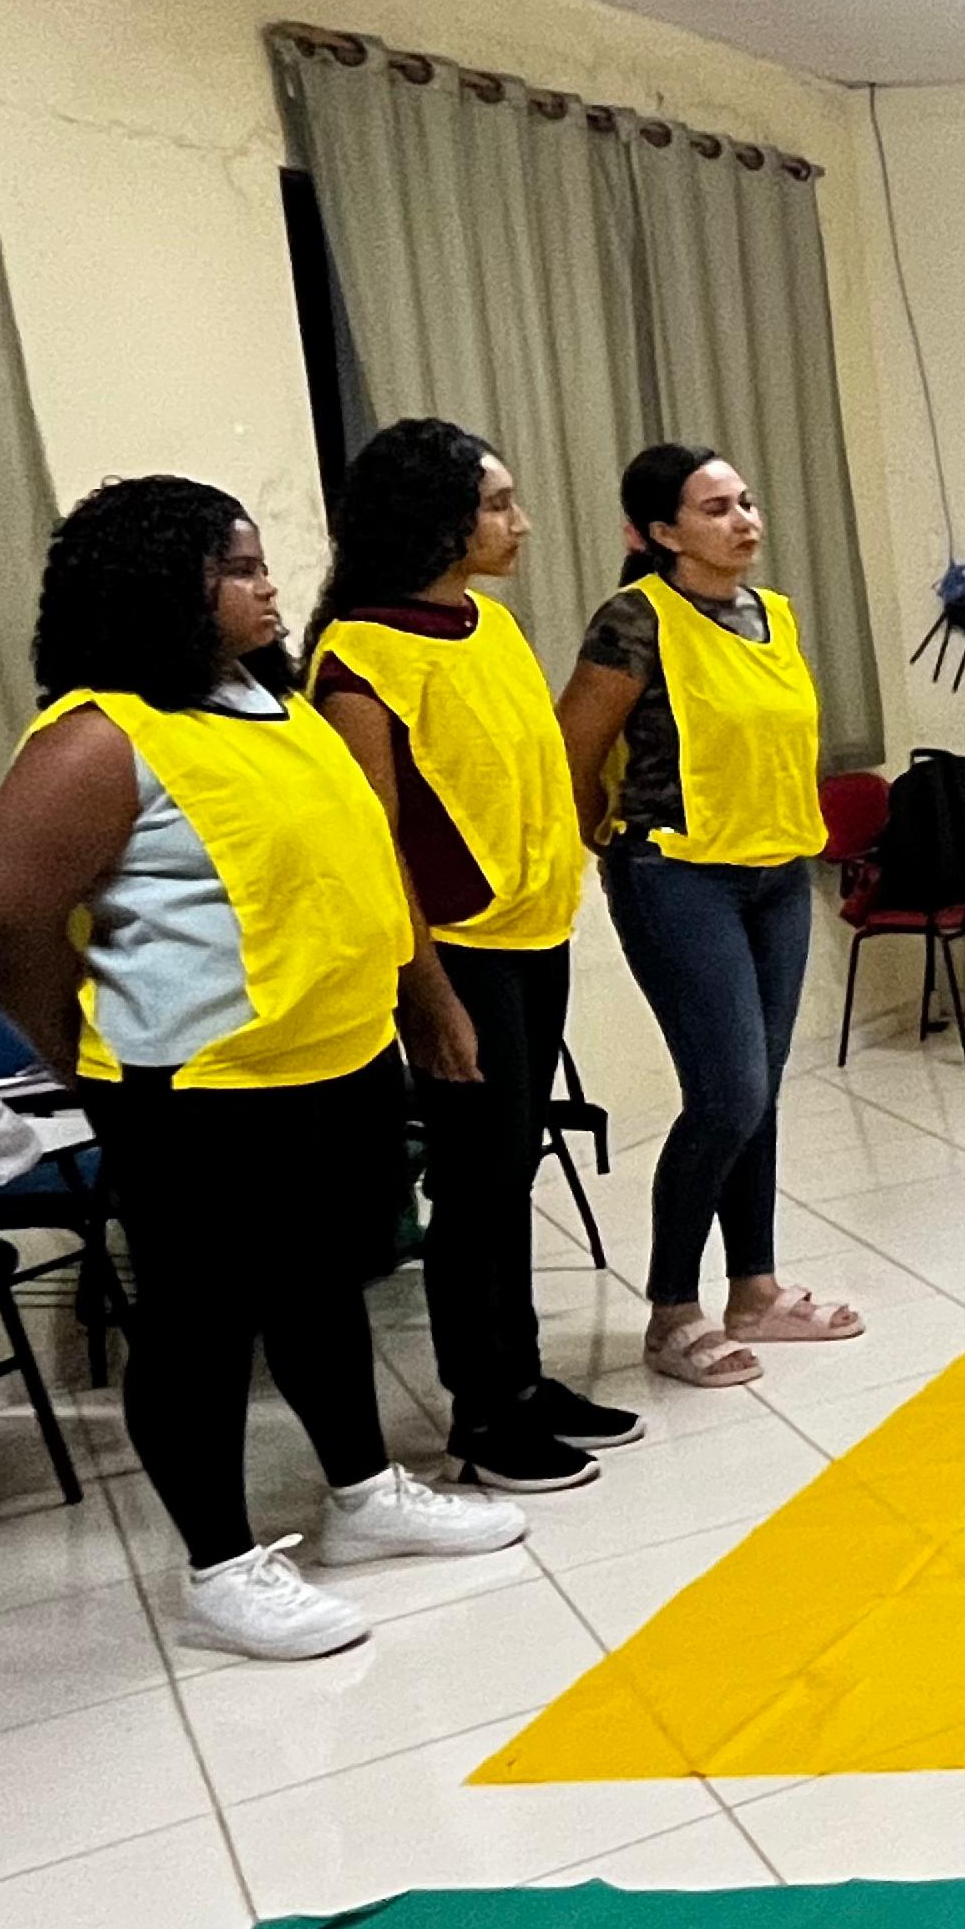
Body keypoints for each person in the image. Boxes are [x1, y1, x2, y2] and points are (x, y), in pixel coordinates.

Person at [0, 477, 524, 1661]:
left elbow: (352, 867)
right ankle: (220, 1568)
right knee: (200, 1325)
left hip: (335, 1060)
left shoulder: (270, 702)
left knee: (324, 1289)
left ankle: (362, 1496)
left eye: (262, 563)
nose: (267, 587)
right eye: (236, 568)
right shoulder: (99, 738)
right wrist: (78, 1052)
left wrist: (418, 1003)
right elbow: (4, 925)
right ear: (160, 588)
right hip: (201, 1086)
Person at [310, 419, 644, 1489]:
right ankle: (484, 1412)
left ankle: (524, 1378)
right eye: (498, 505)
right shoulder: (359, 656)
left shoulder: (488, 625)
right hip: (455, 954)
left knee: (510, 1171)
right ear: (436, 518)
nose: (520, 523)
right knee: (476, 1183)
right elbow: (376, 842)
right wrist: (429, 996)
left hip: (534, 934)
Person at [560, 444, 863, 1389]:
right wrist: (610, 845)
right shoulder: (635, 620)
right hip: (679, 878)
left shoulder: (774, 615)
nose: (744, 520)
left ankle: (756, 1290)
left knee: (759, 1091)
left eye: (747, 501)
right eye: (717, 508)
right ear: (662, 532)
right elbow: (574, 749)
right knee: (726, 1094)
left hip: (776, 873)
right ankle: (671, 1310)